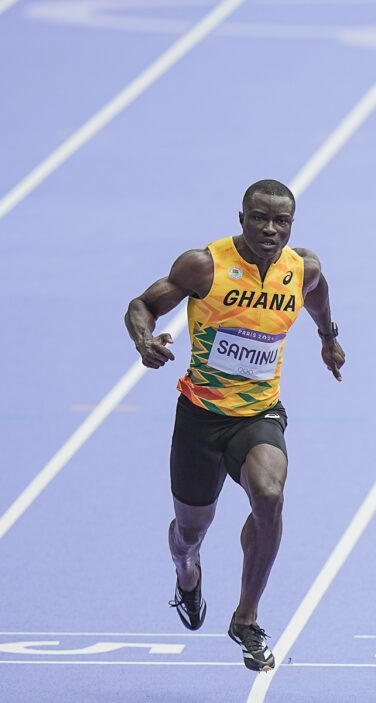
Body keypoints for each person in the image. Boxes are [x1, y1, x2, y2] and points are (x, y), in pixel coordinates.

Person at [125, 179, 345, 672]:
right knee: (189, 530)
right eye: (259, 218)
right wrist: (144, 342)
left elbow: (319, 294)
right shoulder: (204, 265)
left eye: (281, 221)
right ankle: (186, 572)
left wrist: (328, 338)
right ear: (241, 217)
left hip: (258, 413)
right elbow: (141, 305)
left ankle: (246, 617)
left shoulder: (301, 269)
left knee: (269, 495)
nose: (270, 229)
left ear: (292, 224)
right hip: (201, 417)